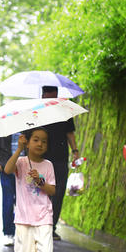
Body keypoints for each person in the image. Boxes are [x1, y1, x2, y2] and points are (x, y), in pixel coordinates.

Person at [3, 128, 56, 252]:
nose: (40, 144)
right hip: (24, 218)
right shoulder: (22, 162)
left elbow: (52, 191)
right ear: (28, 142)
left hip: (44, 218)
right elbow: (8, 170)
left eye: (44, 141)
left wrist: (40, 181)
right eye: (36, 139)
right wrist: (18, 150)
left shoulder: (48, 165)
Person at [41, 85, 81, 240]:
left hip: (60, 159)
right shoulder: (36, 111)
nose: (52, 99)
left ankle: (51, 228)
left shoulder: (65, 110)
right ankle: (40, 226)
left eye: (54, 96)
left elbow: (69, 133)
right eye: (49, 96)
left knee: (57, 195)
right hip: (41, 159)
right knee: (42, 193)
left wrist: (75, 151)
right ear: (43, 95)